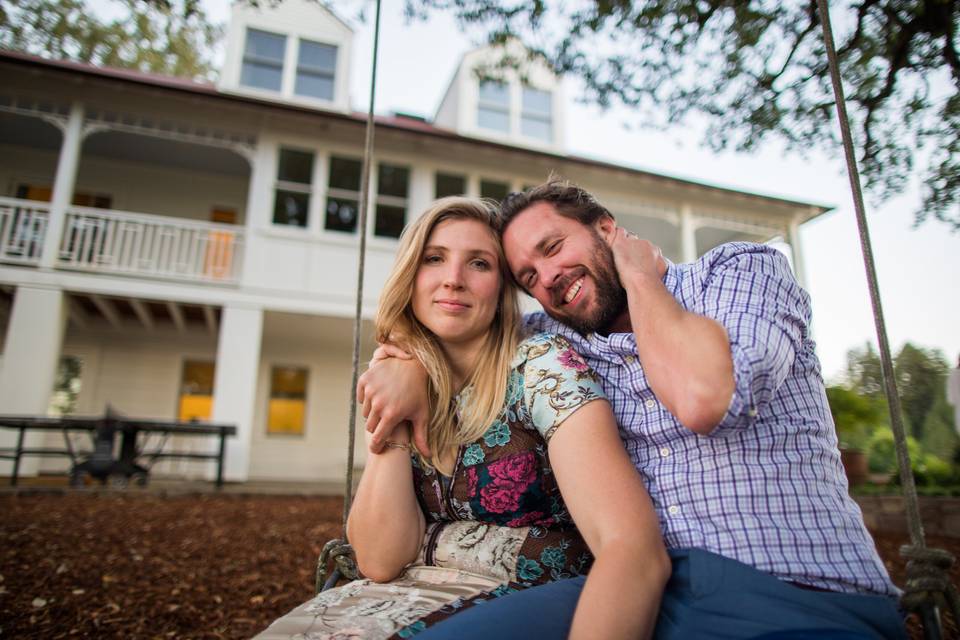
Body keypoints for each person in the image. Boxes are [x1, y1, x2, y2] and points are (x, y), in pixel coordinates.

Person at [358, 180, 907, 639]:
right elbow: (468, 336)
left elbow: (706, 399)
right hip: (649, 591)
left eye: (552, 248)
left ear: (605, 229)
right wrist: (407, 364)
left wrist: (641, 275)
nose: (546, 279)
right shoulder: (557, 338)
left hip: (792, 588)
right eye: (527, 276)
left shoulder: (737, 274)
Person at [255, 196, 669, 640]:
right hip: (403, 593)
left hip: (530, 600)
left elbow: (626, 546)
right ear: (409, 276)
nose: (453, 280)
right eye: (434, 259)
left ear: (501, 287)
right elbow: (378, 559)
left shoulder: (542, 367)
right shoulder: (398, 375)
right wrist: (395, 416)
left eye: (479, 264)